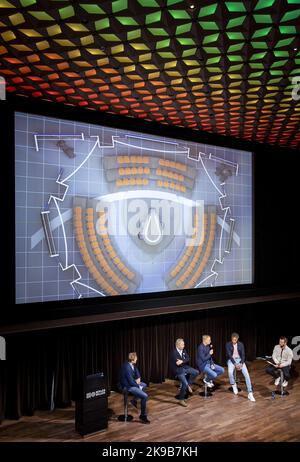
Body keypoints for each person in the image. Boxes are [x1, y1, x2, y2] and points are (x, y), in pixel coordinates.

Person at [119, 352, 150, 424]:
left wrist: (139, 377)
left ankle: (134, 400)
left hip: (132, 383)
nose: (137, 359)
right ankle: (143, 416)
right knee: (145, 396)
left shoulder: (131, 364)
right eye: (136, 358)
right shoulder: (126, 367)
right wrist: (138, 385)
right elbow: (130, 382)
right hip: (127, 386)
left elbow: (136, 371)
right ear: (132, 359)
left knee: (144, 384)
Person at [226, 332, 255, 402]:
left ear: (237, 339)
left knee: (247, 375)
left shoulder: (241, 344)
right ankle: (233, 385)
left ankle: (250, 393)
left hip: (239, 360)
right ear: (231, 338)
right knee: (230, 372)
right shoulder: (228, 344)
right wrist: (235, 364)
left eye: (235, 340)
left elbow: (243, 355)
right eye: (233, 339)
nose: (234, 341)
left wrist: (241, 363)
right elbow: (229, 355)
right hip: (231, 360)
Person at [169, 338, 199, 407]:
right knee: (184, 384)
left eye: (184, 344)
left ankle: (188, 385)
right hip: (177, 370)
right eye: (182, 345)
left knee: (196, 372)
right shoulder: (173, 353)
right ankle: (181, 400)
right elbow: (178, 364)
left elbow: (188, 358)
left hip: (184, 367)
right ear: (177, 345)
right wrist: (183, 361)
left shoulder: (184, 350)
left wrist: (182, 361)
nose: (184, 346)